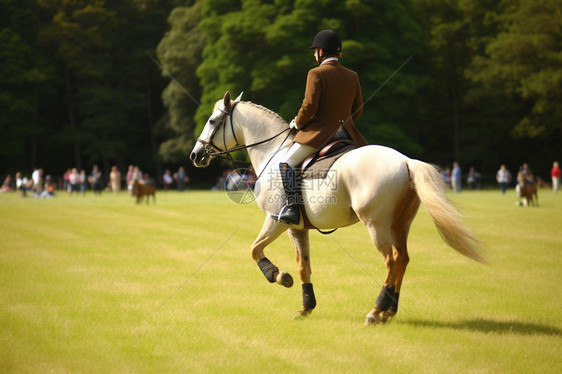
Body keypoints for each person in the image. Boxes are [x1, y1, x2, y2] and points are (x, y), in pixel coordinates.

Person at [275, 29, 368, 224]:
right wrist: (345, 123)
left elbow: (309, 107)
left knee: (285, 164)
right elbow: (357, 109)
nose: (313, 54)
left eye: (315, 50)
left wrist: (297, 123)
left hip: (321, 135)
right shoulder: (352, 75)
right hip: (347, 134)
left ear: (321, 51)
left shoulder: (315, 73)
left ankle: (292, 209)